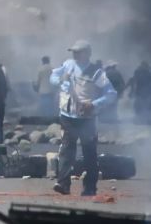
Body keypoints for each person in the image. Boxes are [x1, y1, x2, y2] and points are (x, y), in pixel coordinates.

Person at [50, 40, 117, 197]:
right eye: (73, 51)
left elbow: (111, 94)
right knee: (66, 150)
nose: (74, 54)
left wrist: (93, 104)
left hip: (86, 118)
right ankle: (63, 184)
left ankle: (90, 187)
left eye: (78, 52)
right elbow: (53, 76)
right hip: (67, 116)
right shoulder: (68, 65)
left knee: (89, 152)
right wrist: (60, 79)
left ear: (87, 53)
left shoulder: (96, 72)